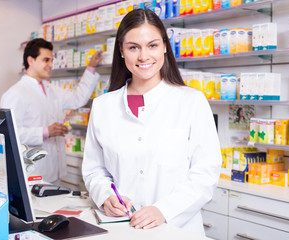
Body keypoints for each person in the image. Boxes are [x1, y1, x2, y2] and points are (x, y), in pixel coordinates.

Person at [81, 9, 221, 236]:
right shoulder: (103, 106)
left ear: (165, 46)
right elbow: (94, 169)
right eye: (133, 47)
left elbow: (205, 173)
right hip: (122, 228)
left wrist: (163, 210)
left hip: (177, 230)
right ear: (121, 51)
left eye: (152, 45)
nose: (144, 56)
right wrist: (105, 195)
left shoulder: (191, 101)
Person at [0, 38, 103, 185]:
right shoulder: (15, 94)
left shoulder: (52, 89)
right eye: (46, 60)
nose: (50, 65)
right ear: (31, 60)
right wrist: (46, 131)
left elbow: (77, 99)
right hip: (32, 173)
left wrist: (91, 68)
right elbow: (11, 134)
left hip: (54, 169)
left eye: (51, 60)